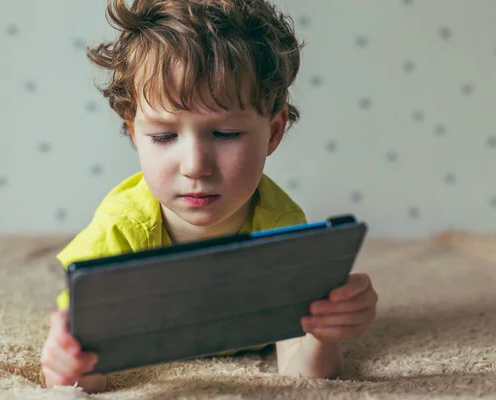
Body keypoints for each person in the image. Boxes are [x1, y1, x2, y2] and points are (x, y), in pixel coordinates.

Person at [40, 0, 378, 393]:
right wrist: (67, 362)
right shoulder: (117, 235)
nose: (195, 165)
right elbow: (87, 378)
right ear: (134, 133)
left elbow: (305, 377)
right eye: (164, 136)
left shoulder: (280, 225)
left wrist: (325, 331)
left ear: (272, 133)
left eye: (226, 134)